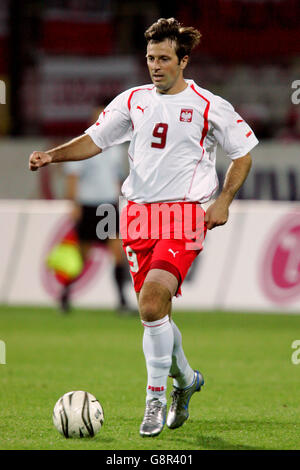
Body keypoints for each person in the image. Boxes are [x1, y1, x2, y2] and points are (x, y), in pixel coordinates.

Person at [29, 18, 258, 437]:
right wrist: (52, 155)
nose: (155, 65)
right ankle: (186, 381)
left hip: (185, 216)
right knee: (157, 317)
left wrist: (223, 200)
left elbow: (243, 153)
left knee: (151, 305)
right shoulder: (132, 100)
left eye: (164, 58)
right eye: (150, 58)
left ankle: (153, 401)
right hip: (136, 216)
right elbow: (93, 140)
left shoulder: (210, 104)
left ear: (183, 60)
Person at [59, 106, 132, 314]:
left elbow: (118, 178)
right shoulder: (84, 144)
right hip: (88, 206)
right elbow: (72, 177)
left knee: (117, 252)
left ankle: (121, 302)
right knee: (82, 256)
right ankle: (65, 294)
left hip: (108, 206)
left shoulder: (116, 148)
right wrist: (73, 204)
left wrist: (122, 202)